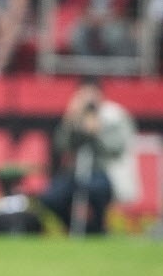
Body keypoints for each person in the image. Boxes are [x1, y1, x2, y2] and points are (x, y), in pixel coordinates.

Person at [38, 77, 136, 235]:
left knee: (97, 190)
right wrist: (70, 121)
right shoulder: (74, 115)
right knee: (51, 197)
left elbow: (117, 148)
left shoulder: (113, 116)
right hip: (73, 172)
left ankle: (99, 227)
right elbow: (61, 145)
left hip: (102, 170)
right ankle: (71, 227)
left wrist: (97, 133)